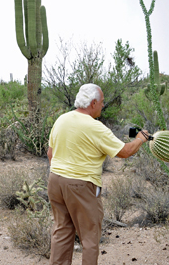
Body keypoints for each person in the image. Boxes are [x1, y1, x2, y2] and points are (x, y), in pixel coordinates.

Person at [47, 83, 149, 265]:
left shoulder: (61, 119)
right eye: (102, 102)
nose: (103, 105)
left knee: (61, 231)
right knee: (89, 237)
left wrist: (63, 173)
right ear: (93, 103)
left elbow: (50, 154)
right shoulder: (95, 127)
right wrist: (140, 139)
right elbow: (125, 151)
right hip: (81, 185)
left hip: (55, 181)